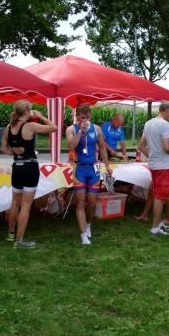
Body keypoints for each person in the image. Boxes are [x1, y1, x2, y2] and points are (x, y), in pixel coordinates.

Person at [1, 100, 57, 248]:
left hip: (17, 167)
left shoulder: (8, 127)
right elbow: (54, 128)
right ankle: (19, 241)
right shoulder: (30, 126)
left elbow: (4, 149)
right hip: (30, 167)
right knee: (25, 205)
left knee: (15, 203)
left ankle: (10, 234)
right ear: (26, 111)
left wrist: (16, 152)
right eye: (30, 110)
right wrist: (41, 116)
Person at [66, 104, 111, 245]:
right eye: (82, 117)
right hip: (79, 168)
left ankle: (88, 224)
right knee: (80, 202)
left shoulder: (96, 129)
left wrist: (107, 165)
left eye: (88, 117)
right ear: (77, 117)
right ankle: (83, 235)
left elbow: (102, 147)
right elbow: (71, 146)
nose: (85, 120)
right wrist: (80, 131)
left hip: (94, 169)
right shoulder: (71, 129)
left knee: (92, 203)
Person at [138, 101, 169, 237]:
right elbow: (166, 147)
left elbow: (141, 145)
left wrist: (152, 155)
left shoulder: (148, 123)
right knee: (160, 197)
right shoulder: (164, 124)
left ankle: (158, 224)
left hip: (154, 164)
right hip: (164, 166)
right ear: (166, 110)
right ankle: (154, 228)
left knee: (159, 194)